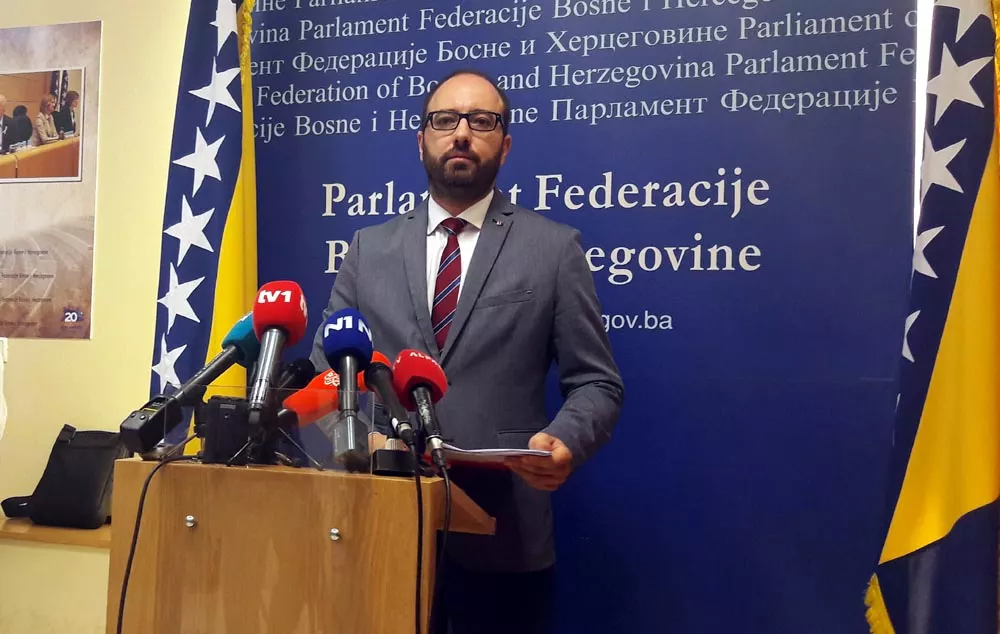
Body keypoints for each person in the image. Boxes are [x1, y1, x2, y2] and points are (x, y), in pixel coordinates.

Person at [309, 69, 624, 633]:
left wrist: (567, 441)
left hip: (505, 537)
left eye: (481, 121)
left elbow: (596, 383)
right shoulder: (367, 249)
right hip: (379, 522)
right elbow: (324, 374)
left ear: (505, 145)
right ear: (420, 140)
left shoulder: (554, 250)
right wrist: (354, 441)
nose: (461, 133)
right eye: (444, 120)